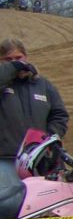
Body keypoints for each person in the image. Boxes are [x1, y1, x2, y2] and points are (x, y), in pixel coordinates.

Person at [1, 37, 69, 189]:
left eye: (18, 58)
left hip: (40, 158)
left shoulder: (42, 85)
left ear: (26, 57)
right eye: (8, 59)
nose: (15, 62)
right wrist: (12, 68)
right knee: (8, 205)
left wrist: (49, 140)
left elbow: (59, 114)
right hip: (6, 159)